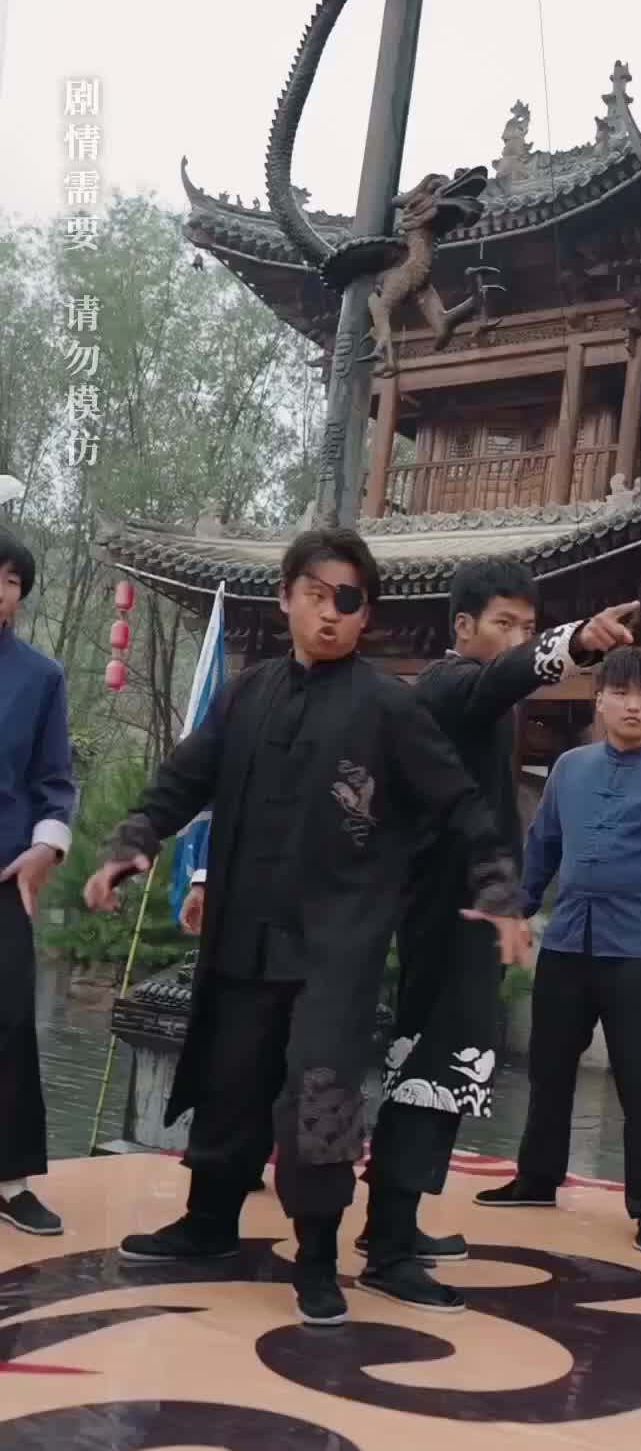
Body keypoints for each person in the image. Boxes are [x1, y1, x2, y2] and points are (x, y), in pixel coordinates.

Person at [84, 528, 526, 1326]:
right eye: (315, 595)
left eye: (347, 601)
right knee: (231, 1080)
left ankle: (317, 1256)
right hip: (244, 931)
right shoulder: (245, 696)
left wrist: (498, 887)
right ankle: (208, 1223)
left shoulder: (389, 708)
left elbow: (462, 804)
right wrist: (133, 840)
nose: (330, 613)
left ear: (366, 615)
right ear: (285, 597)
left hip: (336, 946)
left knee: (319, 1095)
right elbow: (183, 777)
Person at [358, 557, 640, 1306]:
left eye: (528, 625)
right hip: (447, 904)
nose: (517, 638)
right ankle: (387, 1246)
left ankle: (396, 1222)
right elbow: (503, 678)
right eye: (504, 624)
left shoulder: (478, 699)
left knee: (456, 1062)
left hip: (476, 906)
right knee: (436, 1058)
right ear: (463, 626)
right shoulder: (450, 685)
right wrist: (574, 642)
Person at [476, 644, 641, 1252]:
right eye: (620, 693)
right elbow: (541, 850)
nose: (632, 705)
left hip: (637, 952)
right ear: (599, 700)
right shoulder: (570, 769)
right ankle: (537, 1178)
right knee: (549, 1069)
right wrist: (511, 913)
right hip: (567, 943)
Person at [0, 530, 76, 1238]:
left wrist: (45, 847)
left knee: (9, 1022)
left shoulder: (39, 678)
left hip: (2, 880)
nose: (0, 590)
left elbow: (55, 782)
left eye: (11, 580)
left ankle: (10, 1179)